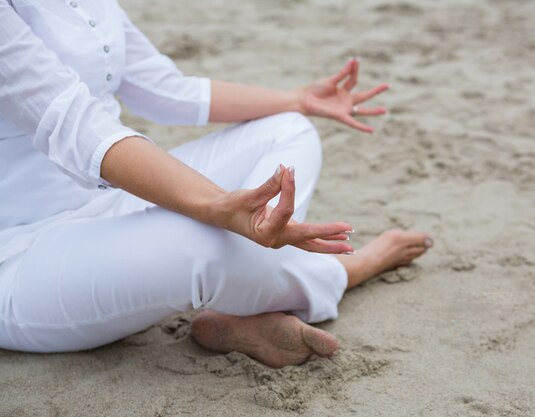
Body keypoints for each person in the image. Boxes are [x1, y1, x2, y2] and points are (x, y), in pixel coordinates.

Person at [0, 0, 433, 368]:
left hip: (112, 204)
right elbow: (76, 128)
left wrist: (297, 99)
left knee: (288, 131)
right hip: (20, 255)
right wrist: (216, 205)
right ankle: (339, 273)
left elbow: (166, 90)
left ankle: (244, 299)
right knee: (209, 244)